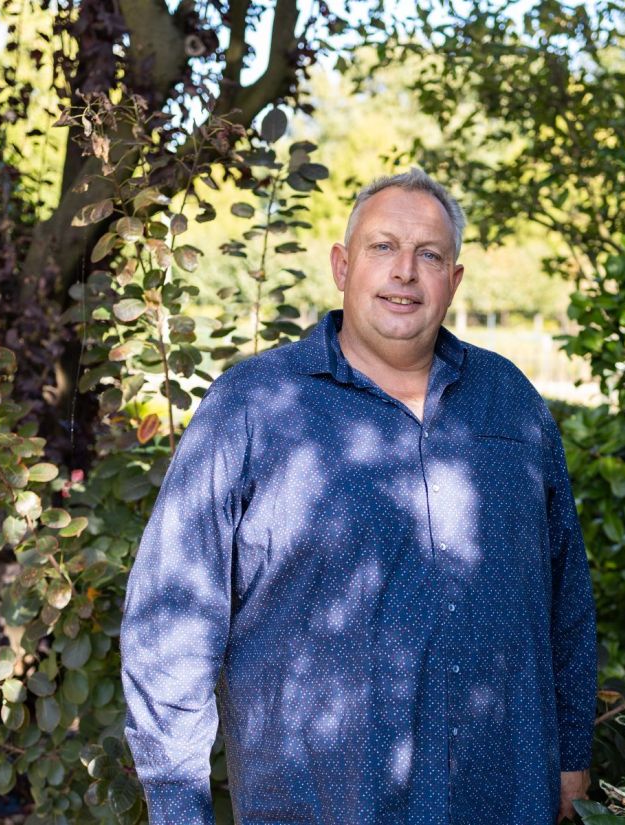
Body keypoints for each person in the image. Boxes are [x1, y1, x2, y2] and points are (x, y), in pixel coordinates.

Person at [121, 168, 597, 825]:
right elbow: (171, 617)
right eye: (382, 247)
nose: (405, 271)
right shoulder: (254, 406)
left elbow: (565, 590)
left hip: (502, 794)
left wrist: (571, 754)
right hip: (319, 804)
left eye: (429, 255)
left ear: (453, 280)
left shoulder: (509, 400)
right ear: (342, 266)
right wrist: (179, 808)